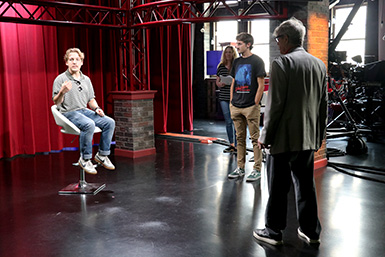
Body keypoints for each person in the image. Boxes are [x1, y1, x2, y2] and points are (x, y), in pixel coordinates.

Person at [253, 17, 328, 245]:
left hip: (282, 139)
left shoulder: (281, 64)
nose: (277, 44)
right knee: (306, 186)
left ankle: (273, 231)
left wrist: (264, 137)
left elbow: (274, 106)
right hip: (307, 139)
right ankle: (310, 231)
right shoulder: (319, 64)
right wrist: (318, 137)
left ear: (286, 38)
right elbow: (322, 107)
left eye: (278, 39)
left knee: (277, 187)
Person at [52, 48, 116, 175]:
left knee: (109, 122)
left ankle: (102, 155)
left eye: (77, 59)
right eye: (71, 59)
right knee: (89, 124)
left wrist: (97, 108)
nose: (74, 62)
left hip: (84, 111)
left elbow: (91, 99)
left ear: (81, 62)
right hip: (68, 112)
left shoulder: (86, 79)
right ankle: (85, 158)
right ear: (66, 62)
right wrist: (62, 92)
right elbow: (56, 102)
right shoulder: (60, 79)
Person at [227, 32, 266, 182]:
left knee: (255, 138)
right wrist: (232, 100)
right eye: (237, 43)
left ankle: (257, 169)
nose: (237, 46)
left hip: (250, 106)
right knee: (240, 138)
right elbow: (234, 81)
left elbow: (261, 84)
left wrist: (255, 103)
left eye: (239, 44)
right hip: (236, 105)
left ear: (248, 44)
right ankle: (240, 167)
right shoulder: (236, 62)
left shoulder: (257, 61)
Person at [216, 45, 238, 153]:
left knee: (236, 121)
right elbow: (217, 81)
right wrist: (220, 84)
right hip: (224, 96)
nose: (228, 54)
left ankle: (239, 145)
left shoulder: (237, 65)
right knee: (228, 121)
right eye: (226, 52)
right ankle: (232, 144)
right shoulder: (220, 66)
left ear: (233, 53)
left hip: (235, 96)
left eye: (230, 52)